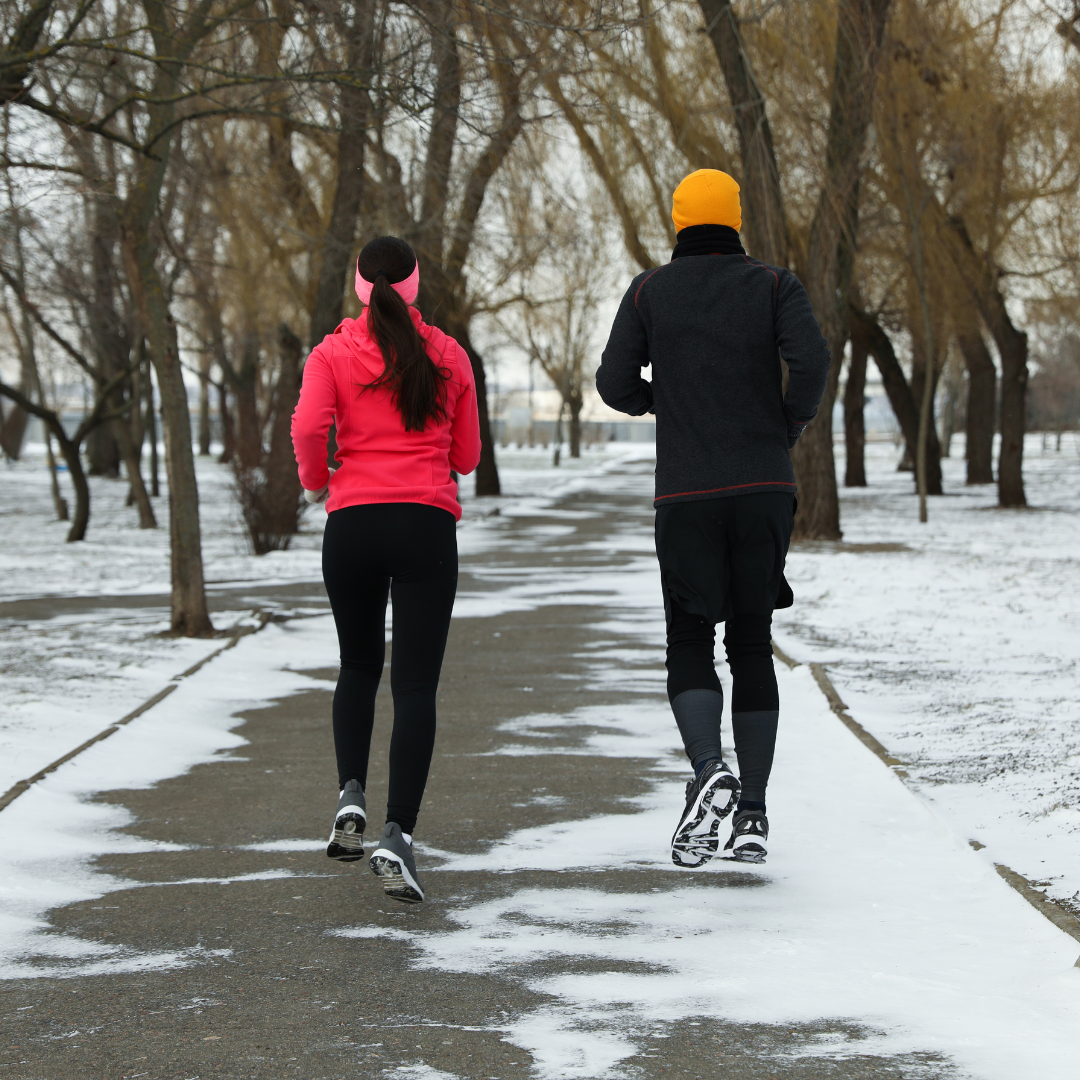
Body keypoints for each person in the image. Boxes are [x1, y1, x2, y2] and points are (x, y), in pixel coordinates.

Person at [596, 170, 830, 867]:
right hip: (763, 486)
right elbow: (812, 362)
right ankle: (752, 812)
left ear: (678, 221)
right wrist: (785, 425)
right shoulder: (775, 285)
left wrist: (660, 401)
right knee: (752, 642)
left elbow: (613, 382)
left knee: (690, 636)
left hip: (686, 493)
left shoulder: (649, 291)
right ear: (735, 218)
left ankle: (708, 770)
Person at [291, 235, 481, 903]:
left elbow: (307, 428)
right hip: (425, 525)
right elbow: (467, 456)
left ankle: (351, 794)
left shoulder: (331, 352)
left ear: (358, 285)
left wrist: (318, 479)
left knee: (358, 666)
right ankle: (398, 835)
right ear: (414, 284)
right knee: (416, 687)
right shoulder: (449, 355)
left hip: (353, 526)